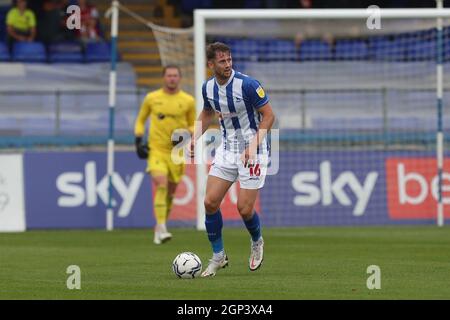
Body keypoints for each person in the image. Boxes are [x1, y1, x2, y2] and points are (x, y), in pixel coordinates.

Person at [189, 42, 276, 277]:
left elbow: (269, 116)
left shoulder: (248, 84)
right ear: (210, 64)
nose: (228, 65)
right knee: (210, 202)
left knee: (244, 209)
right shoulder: (208, 87)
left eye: (229, 60)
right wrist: (194, 137)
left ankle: (257, 241)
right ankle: (218, 256)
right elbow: (208, 113)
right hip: (227, 148)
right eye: (222, 61)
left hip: (254, 150)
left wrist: (253, 145)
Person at [134, 65, 196, 245]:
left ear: (180, 78)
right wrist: (138, 140)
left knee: (170, 193)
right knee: (161, 185)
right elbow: (140, 119)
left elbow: (194, 124)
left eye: (175, 75)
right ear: (163, 78)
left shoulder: (188, 101)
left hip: (177, 153)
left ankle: (160, 227)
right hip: (157, 150)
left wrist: (186, 133)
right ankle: (161, 227)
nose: (172, 78)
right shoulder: (152, 98)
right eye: (169, 75)